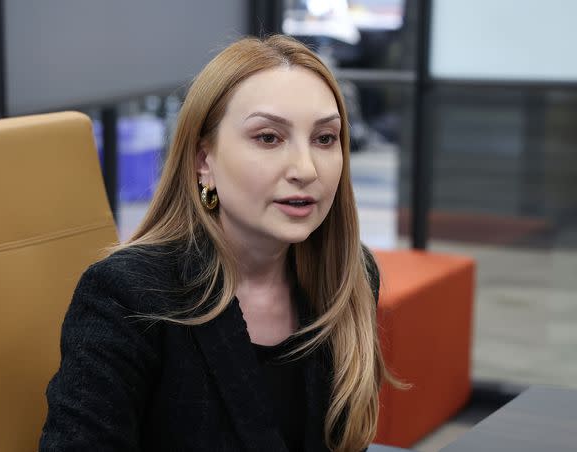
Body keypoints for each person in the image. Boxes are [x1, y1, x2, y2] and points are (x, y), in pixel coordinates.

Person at [39, 34, 399, 452]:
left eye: (324, 139)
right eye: (269, 138)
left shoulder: (347, 275)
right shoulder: (126, 295)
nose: (306, 169)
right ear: (202, 160)